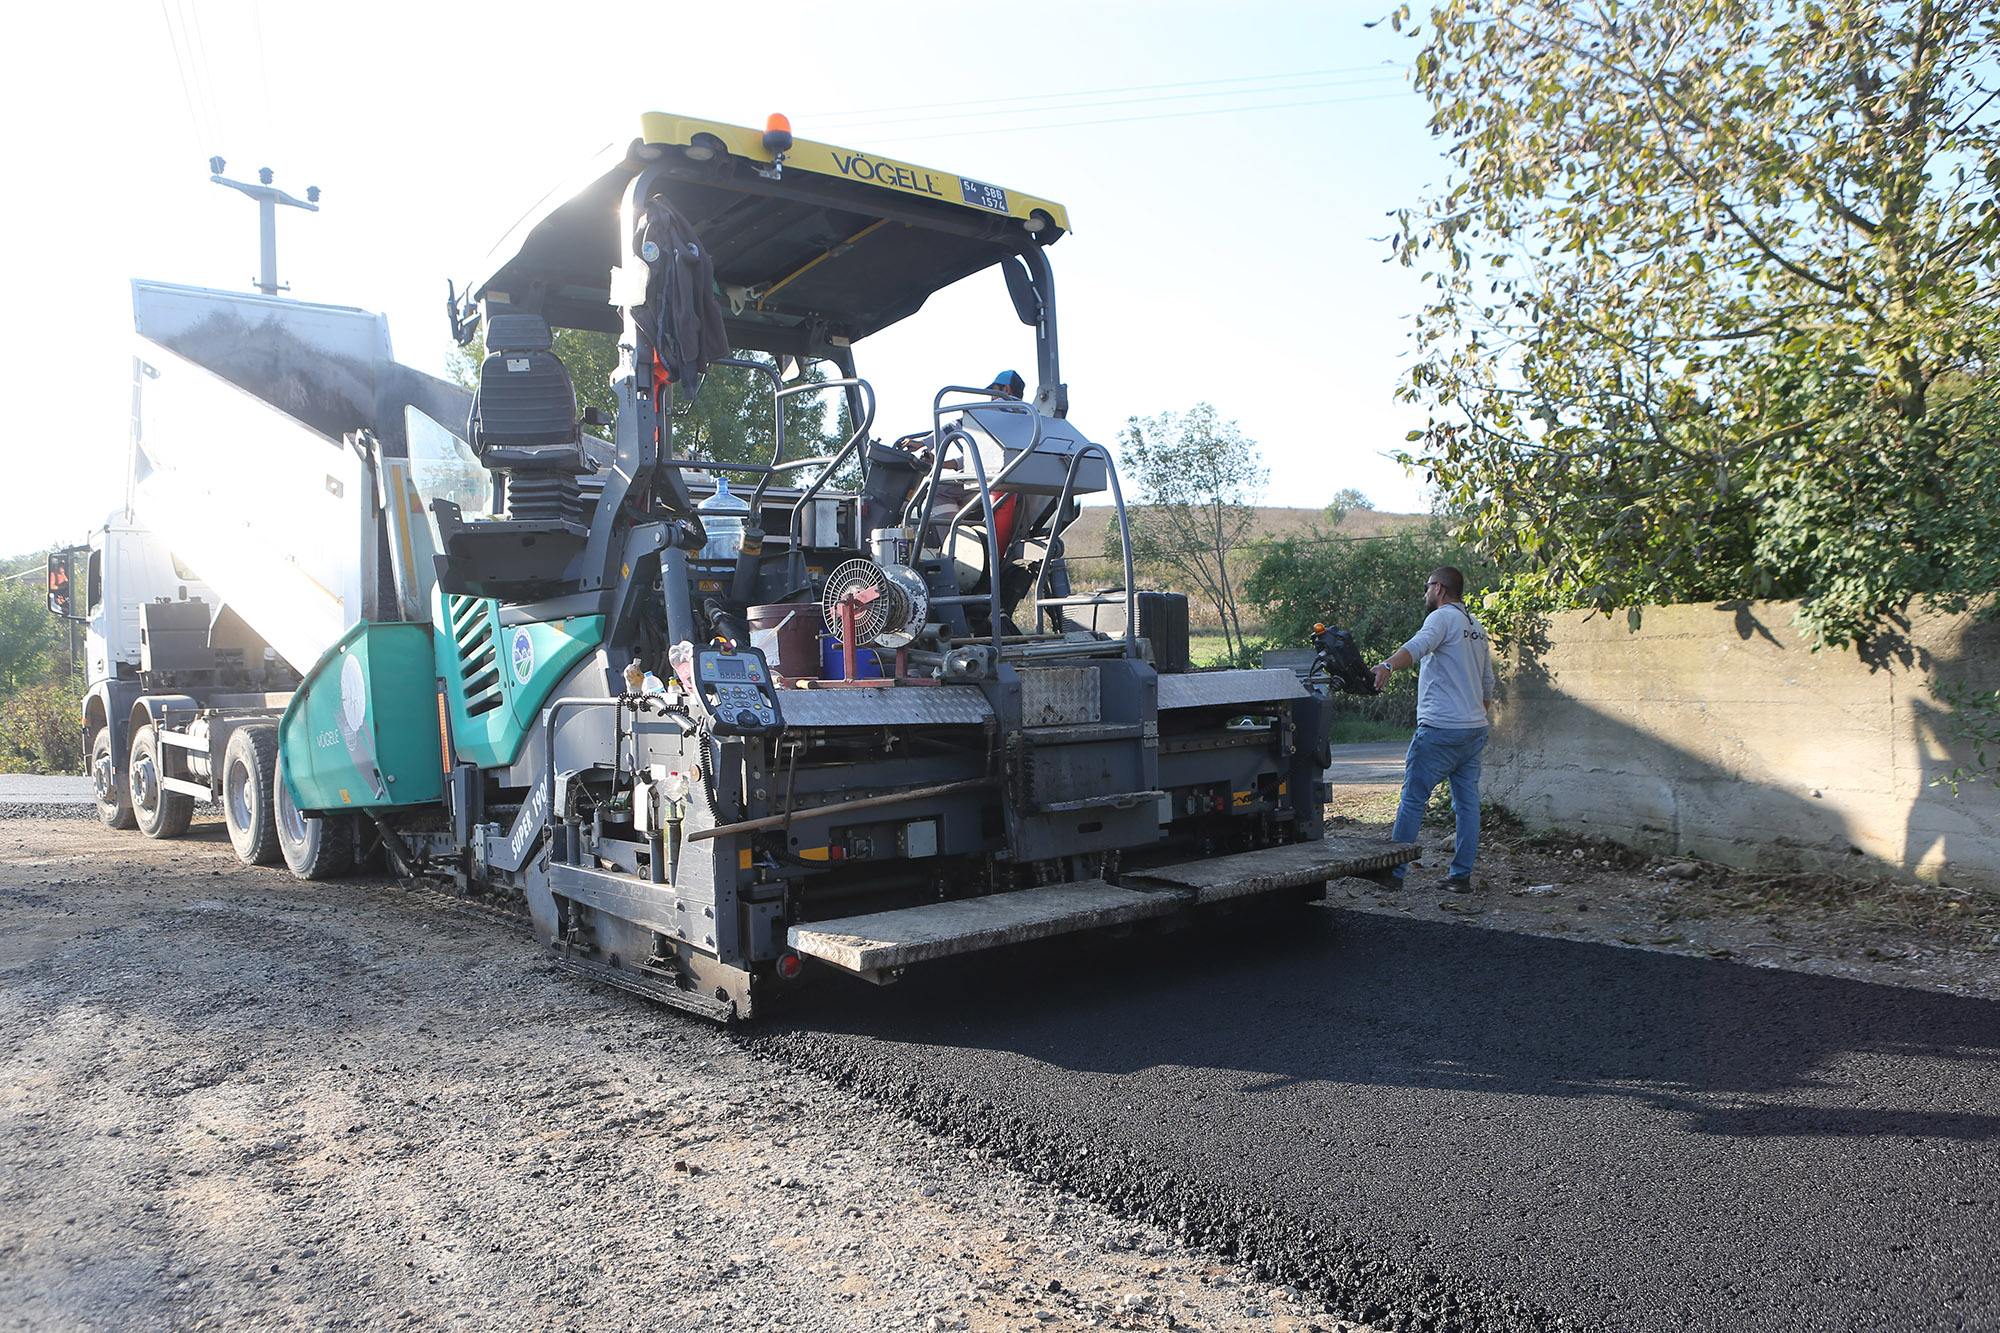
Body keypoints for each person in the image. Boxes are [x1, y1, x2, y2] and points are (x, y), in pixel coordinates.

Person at [1371, 566, 1495, 892]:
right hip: (1473, 730)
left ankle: (1393, 875)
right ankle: (1460, 877)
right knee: (1467, 805)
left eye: (1427, 587)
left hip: (1440, 729)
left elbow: (1418, 646)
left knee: (1413, 799)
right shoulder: (1477, 627)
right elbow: (1487, 685)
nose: (1425, 593)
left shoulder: (1441, 619)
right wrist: (1470, 720)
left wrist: (1386, 666)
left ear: (1439, 589)